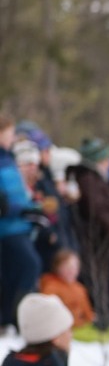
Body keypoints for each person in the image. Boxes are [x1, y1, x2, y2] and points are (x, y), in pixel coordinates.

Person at [0, 115, 42, 330]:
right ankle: (19, 318)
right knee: (30, 265)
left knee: (17, 271)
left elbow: (15, 193)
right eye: (9, 133)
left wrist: (33, 207)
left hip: (20, 224)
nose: (12, 137)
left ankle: (12, 318)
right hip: (8, 227)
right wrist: (23, 209)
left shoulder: (8, 158)